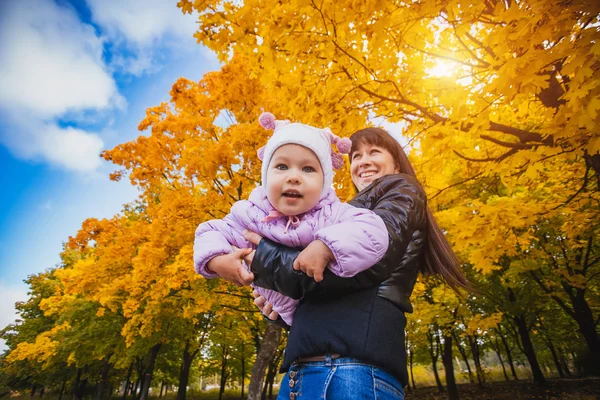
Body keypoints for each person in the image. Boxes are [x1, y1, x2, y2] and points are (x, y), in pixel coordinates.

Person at [241, 127, 470, 399]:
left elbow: (359, 268)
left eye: (374, 152)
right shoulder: (341, 215)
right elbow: (320, 287)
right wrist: (280, 307)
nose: (363, 161)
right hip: (305, 372)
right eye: (356, 156)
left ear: (396, 161)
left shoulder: (401, 188)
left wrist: (264, 262)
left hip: (348, 370)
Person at [193, 113, 389, 326]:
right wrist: (216, 259)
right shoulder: (250, 215)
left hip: (339, 321)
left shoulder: (333, 215)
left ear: (324, 183)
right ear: (265, 176)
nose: (293, 176)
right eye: (282, 167)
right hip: (296, 331)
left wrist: (326, 246)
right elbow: (210, 231)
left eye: (308, 169)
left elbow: (373, 231)